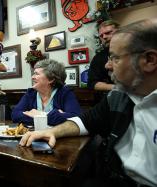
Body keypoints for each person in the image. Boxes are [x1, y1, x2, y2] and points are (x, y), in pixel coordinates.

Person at [20, 19, 157, 187]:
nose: (107, 66)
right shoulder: (118, 97)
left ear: (149, 60)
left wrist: (45, 116)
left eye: (114, 58)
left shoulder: (66, 92)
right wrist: (53, 132)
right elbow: (85, 120)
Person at [12, 59, 81, 126]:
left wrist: (39, 114)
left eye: (36, 74)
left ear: (51, 79)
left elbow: (75, 117)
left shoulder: (65, 93)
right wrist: (56, 116)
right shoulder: (31, 93)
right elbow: (15, 115)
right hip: (34, 135)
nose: (32, 77)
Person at [88, 20, 119, 91]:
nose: (104, 37)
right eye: (101, 36)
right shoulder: (98, 57)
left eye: (108, 33)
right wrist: (117, 88)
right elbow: (92, 83)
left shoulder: (134, 48)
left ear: (119, 32)